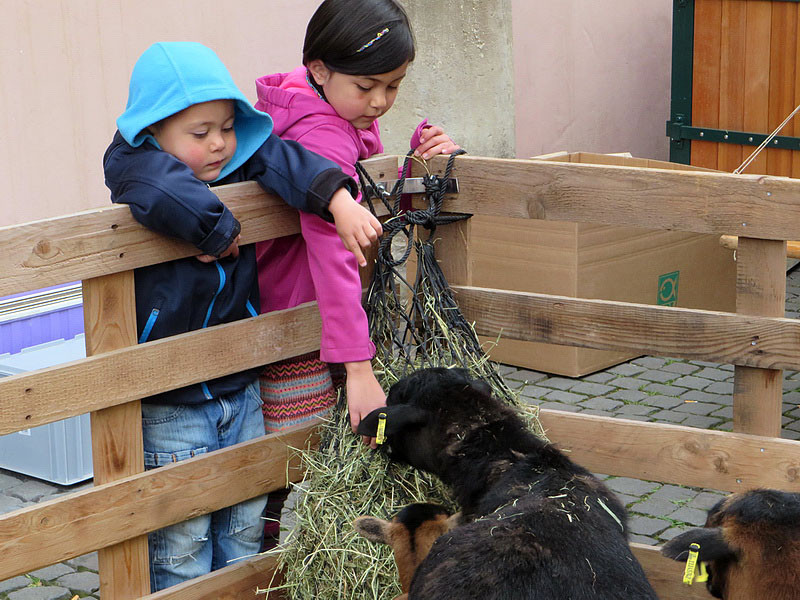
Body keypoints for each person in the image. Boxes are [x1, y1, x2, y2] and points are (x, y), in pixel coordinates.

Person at [102, 41, 381, 592]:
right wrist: (218, 226)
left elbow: (284, 159)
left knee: (247, 523)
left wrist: (338, 198)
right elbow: (160, 188)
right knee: (183, 536)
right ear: (153, 131)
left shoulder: (234, 157)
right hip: (173, 403)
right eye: (200, 132)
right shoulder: (135, 167)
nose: (220, 143)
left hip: (240, 386)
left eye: (227, 127)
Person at [253, 0, 459, 546]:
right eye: (367, 86)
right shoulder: (317, 134)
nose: (381, 102)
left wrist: (413, 160)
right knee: (297, 456)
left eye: (393, 86)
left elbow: (361, 176)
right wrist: (359, 370)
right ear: (320, 71)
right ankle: (261, 561)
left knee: (297, 455)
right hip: (299, 321)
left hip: (313, 319)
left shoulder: (316, 104)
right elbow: (333, 251)